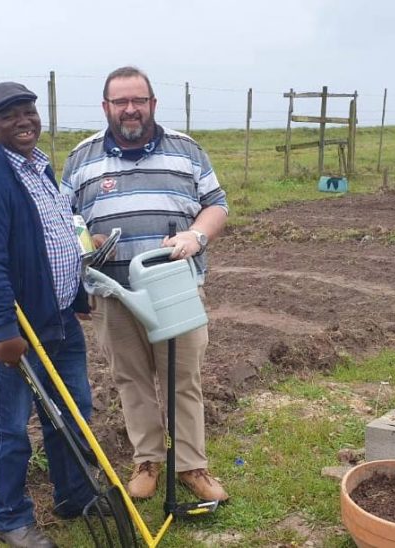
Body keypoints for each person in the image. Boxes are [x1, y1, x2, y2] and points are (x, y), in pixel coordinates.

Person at [61, 66, 230, 503]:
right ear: (106, 108)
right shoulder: (81, 159)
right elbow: (64, 223)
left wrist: (198, 235)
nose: (130, 110)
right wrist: (85, 246)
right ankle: (147, 461)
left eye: (139, 100)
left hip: (174, 290)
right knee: (131, 379)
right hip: (113, 296)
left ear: (153, 103)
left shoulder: (187, 150)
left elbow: (217, 205)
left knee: (183, 380)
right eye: (121, 102)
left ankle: (193, 466)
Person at [0, 81, 95, 548]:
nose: (24, 121)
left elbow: (55, 237)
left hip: (59, 319)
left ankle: (75, 496)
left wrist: (75, 295)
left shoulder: (38, 167)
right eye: (10, 115)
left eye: (29, 111)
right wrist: (2, 331)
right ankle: (12, 520)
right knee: (10, 427)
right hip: (19, 330)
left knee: (73, 412)